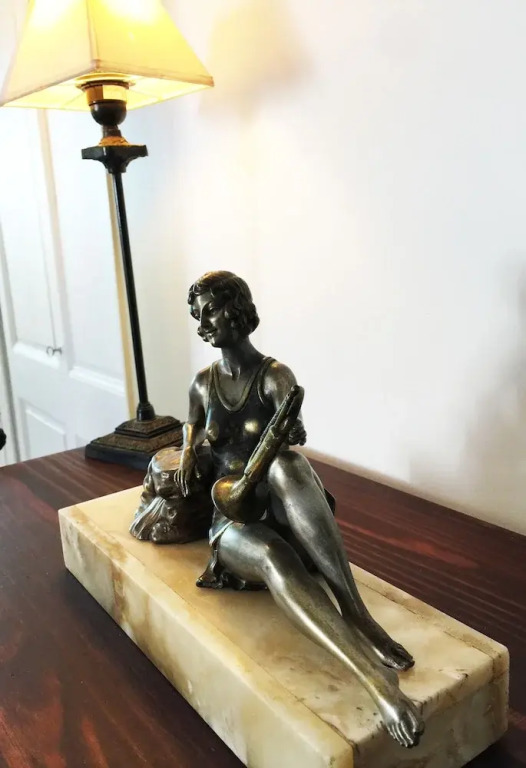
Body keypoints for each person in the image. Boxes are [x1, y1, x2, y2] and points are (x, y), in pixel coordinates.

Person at [132, 270, 424, 749]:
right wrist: (186, 454)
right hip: (233, 517)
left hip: (283, 504)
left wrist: (290, 435)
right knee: (273, 558)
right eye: (198, 316)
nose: (203, 324)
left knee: (289, 464)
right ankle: (377, 682)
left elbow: (294, 430)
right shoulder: (202, 384)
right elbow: (191, 428)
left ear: (236, 309)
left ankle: (356, 611)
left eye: (210, 311)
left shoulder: (274, 377)